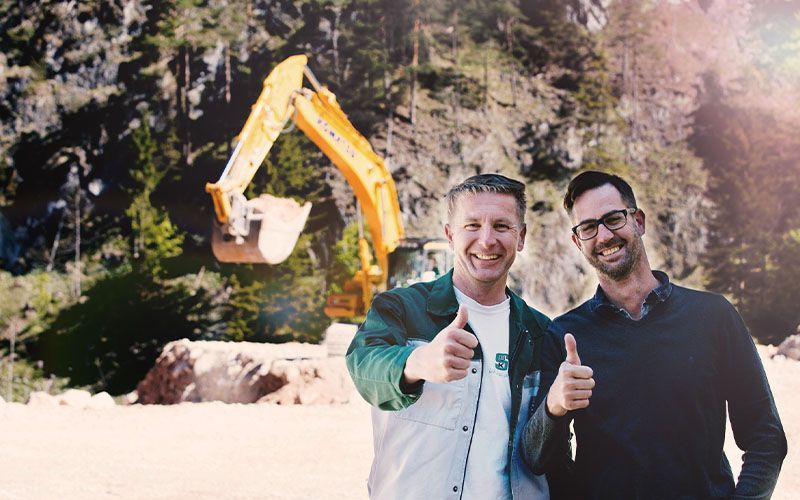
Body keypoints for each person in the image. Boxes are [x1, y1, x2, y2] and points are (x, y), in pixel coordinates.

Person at [522, 171, 787, 499]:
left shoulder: (713, 316)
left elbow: (766, 437)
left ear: (639, 221)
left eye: (613, 219)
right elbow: (537, 458)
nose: (603, 235)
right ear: (578, 242)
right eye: (588, 227)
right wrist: (554, 405)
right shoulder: (565, 335)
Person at [346, 173, 552, 499]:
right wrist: (417, 363)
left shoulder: (541, 332)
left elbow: (546, 453)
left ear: (521, 237)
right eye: (472, 225)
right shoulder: (400, 307)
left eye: (501, 226)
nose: (487, 240)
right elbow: (363, 367)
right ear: (450, 235)